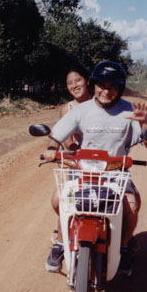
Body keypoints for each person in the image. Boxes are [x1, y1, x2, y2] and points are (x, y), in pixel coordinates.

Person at [44, 61, 147, 275]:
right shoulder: (81, 110)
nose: (106, 91)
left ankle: (123, 246)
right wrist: (51, 148)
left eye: (113, 86)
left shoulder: (130, 110)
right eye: (102, 85)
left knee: (132, 207)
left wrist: (143, 124)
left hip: (115, 173)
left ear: (120, 88)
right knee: (58, 200)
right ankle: (61, 242)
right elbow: (57, 134)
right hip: (83, 172)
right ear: (94, 85)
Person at [48, 66, 92, 245]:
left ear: (87, 81)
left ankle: (124, 241)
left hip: (105, 164)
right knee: (59, 201)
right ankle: (61, 237)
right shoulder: (68, 109)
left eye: (78, 80)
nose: (74, 85)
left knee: (126, 202)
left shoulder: (101, 102)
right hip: (79, 165)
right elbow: (66, 138)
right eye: (69, 83)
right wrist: (70, 147)